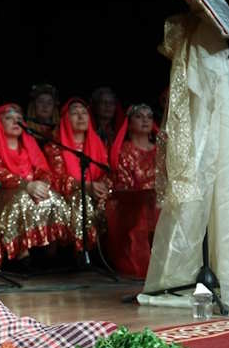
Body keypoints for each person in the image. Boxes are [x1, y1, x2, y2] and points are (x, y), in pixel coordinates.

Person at [0, 103, 70, 262]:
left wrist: (42, 185)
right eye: (9, 119)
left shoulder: (28, 144)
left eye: (19, 119)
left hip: (32, 189)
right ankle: (21, 255)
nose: (16, 122)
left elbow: (43, 170)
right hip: (5, 193)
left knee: (53, 197)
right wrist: (27, 186)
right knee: (21, 199)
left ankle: (51, 254)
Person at [44, 97, 111, 251]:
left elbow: (106, 172)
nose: (81, 117)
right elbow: (57, 179)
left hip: (96, 191)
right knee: (82, 200)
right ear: (66, 119)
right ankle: (83, 252)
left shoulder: (98, 144)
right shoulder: (55, 146)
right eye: (75, 113)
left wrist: (103, 189)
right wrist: (84, 186)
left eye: (84, 113)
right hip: (68, 195)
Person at [106, 104, 160, 277]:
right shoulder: (125, 151)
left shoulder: (161, 151)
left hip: (160, 200)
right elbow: (123, 184)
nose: (145, 120)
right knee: (145, 209)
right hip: (134, 203)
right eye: (139, 116)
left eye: (149, 116)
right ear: (129, 124)